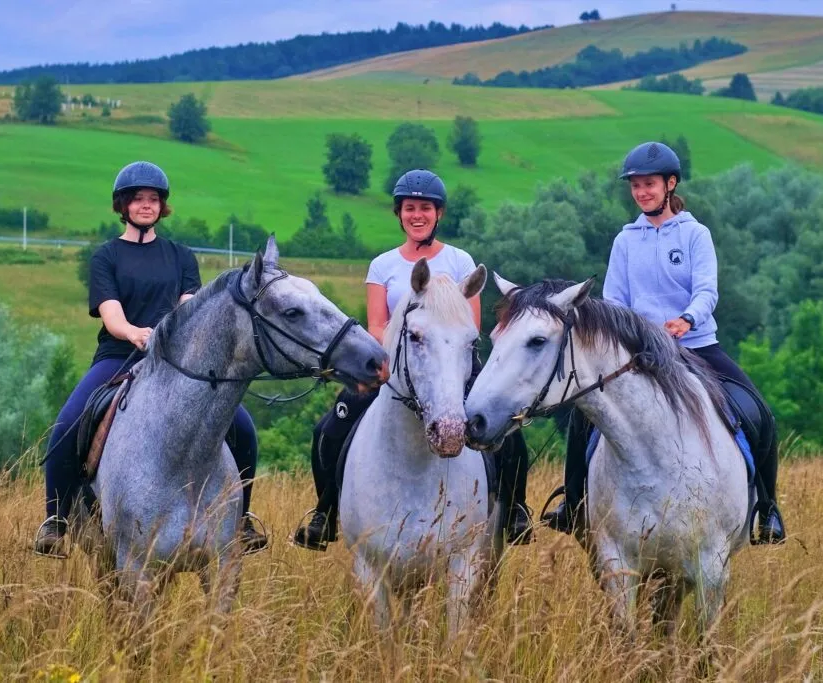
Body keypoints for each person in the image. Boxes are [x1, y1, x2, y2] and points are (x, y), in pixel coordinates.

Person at [541, 142, 786, 544]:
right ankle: (573, 502)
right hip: (638, 353)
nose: (641, 192)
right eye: (635, 185)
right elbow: (614, 301)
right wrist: (631, 336)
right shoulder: (625, 241)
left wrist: (687, 318)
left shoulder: (695, 234)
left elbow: (707, 290)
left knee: (757, 411)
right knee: (585, 412)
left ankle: (768, 509)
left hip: (696, 345)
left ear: (670, 184)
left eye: (649, 184)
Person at [34, 161, 268, 557]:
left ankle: (241, 519)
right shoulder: (106, 257)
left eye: (154, 199)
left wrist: (173, 337)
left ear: (162, 206)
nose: (147, 205)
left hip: (175, 362)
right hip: (120, 356)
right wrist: (136, 333)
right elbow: (111, 315)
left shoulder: (180, 256)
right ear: (122, 206)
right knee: (66, 425)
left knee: (243, 428)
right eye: (138, 199)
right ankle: (55, 521)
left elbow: (190, 309)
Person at [292, 169, 534, 551]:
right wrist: (396, 358)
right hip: (395, 369)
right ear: (399, 213)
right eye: (409, 208)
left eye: (425, 208)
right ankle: (326, 512)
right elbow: (376, 326)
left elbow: (470, 325)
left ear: (439, 213)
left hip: (453, 366)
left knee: (507, 430)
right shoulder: (383, 265)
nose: (417, 215)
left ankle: (515, 509)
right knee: (330, 427)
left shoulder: (459, 261)